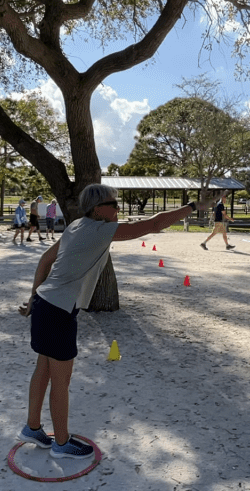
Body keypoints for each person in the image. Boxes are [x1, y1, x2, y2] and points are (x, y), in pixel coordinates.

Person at [17, 184, 219, 459]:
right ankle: (61, 443)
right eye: (113, 204)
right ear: (98, 209)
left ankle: (32, 428)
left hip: (44, 303)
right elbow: (153, 224)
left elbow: (44, 261)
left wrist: (33, 298)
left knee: (43, 369)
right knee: (61, 381)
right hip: (58, 311)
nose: (118, 208)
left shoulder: (77, 225)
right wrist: (195, 206)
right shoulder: (98, 230)